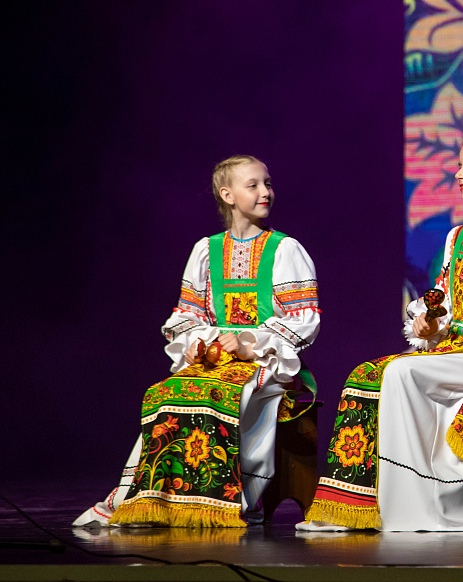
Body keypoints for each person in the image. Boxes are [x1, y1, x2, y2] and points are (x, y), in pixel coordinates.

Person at [297, 130, 463, 532]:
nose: (458, 173)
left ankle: (430, 508)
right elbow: (447, 298)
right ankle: (363, 505)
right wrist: (431, 320)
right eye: (459, 165)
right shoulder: (460, 236)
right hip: (458, 349)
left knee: (402, 373)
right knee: (368, 374)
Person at [73, 155, 320, 528]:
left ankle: (227, 502)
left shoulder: (285, 249)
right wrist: (194, 342)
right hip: (215, 361)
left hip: (267, 361)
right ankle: (149, 499)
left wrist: (249, 343)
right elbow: (186, 315)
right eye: (253, 185)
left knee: (224, 394)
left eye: (267, 183)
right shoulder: (206, 250)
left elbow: (304, 319)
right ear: (228, 195)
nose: (265, 192)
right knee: (167, 393)